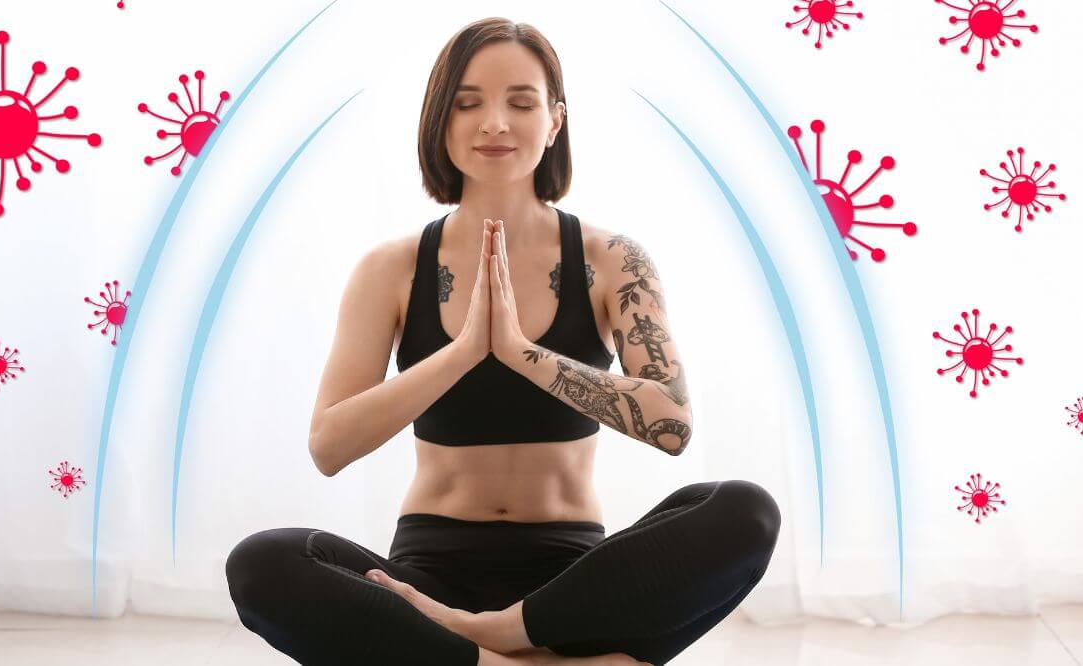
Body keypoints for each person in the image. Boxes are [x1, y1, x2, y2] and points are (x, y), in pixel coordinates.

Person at [225, 17, 781, 666]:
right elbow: (328, 446)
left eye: (520, 102)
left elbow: (672, 427)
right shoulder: (392, 269)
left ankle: (488, 642)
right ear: (440, 121)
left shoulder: (611, 260)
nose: (494, 121)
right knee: (264, 563)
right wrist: (463, 351)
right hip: (429, 572)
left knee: (745, 512)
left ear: (554, 121)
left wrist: (521, 352)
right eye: (467, 103)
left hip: (575, 583)